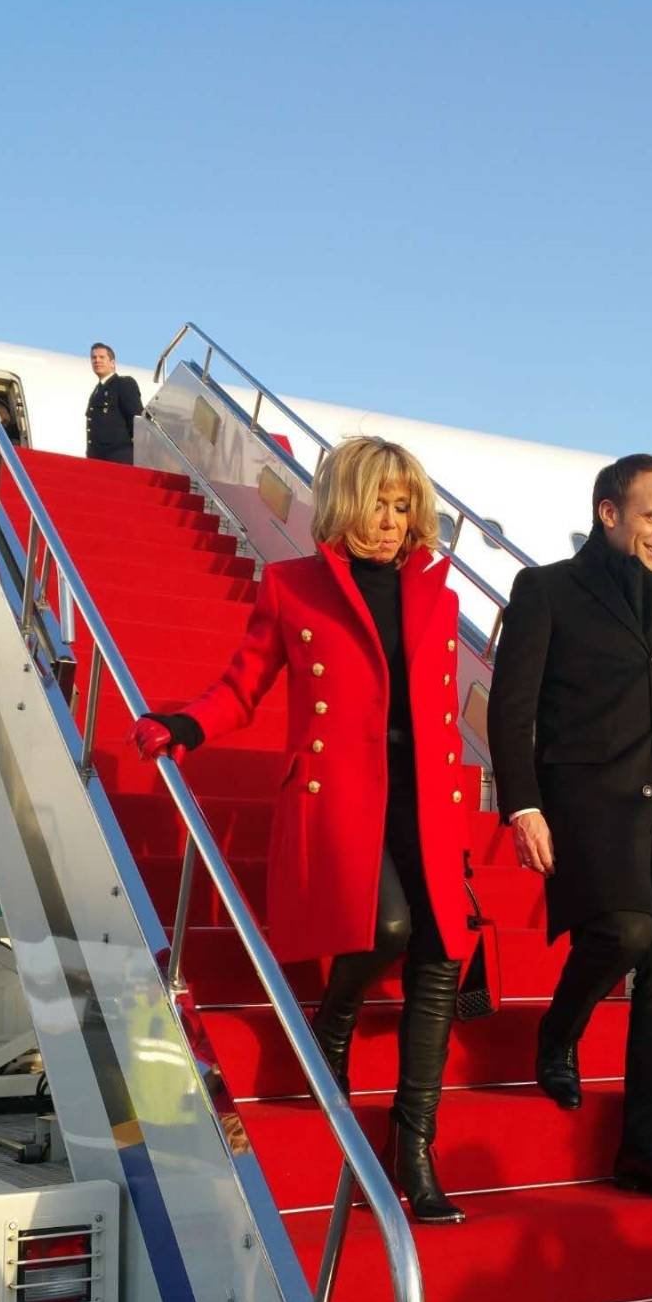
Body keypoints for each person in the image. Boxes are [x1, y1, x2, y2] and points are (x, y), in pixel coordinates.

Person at [132, 436, 474, 1224]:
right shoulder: (293, 586)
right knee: (388, 927)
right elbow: (244, 685)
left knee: (439, 956)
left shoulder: (439, 596)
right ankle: (333, 1022)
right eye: (377, 504)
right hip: (342, 797)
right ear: (345, 502)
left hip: (425, 796)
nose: (390, 522)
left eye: (403, 507)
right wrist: (186, 723)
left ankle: (413, 1147)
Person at [487, 453, 652, 1204]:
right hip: (588, 800)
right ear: (609, 512)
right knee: (625, 932)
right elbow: (511, 707)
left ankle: (646, 1149)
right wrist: (523, 805)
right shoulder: (547, 589)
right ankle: (559, 1031)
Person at [86, 342, 142, 464]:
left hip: (118, 457)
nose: (97, 360)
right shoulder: (96, 392)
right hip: (97, 459)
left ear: (112, 363)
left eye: (102, 357)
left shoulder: (123, 384)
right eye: (94, 358)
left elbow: (136, 419)